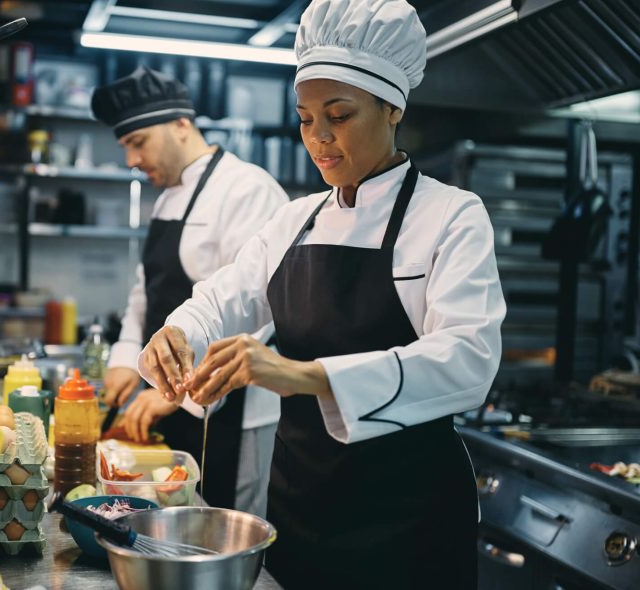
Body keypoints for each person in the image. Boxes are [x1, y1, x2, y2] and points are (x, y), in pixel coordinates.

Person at [138, 1, 506, 587]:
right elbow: (222, 297)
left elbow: (468, 360)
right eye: (306, 118)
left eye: (339, 115)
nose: (319, 137)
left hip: (408, 517)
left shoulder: (451, 215)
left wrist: (306, 376)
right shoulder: (294, 220)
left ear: (392, 108)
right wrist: (178, 333)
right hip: (301, 505)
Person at [91, 66, 289, 514]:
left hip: (234, 408)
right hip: (170, 400)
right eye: (125, 147)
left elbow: (258, 314)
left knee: (222, 522)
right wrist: (126, 359)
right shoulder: (167, 198)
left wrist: (176, 392)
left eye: (138, 142)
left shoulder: (247, 190)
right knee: (175, 517)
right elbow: (145, 293)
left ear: (181, 124)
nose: (131, 160)